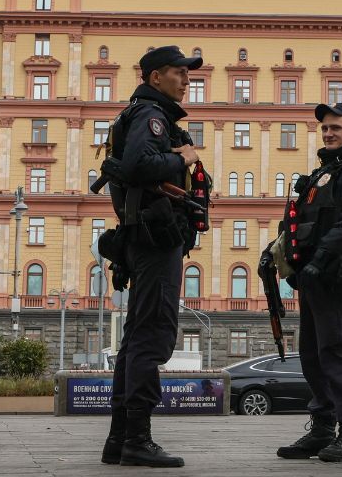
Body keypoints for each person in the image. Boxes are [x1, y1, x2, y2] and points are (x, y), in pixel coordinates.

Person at [99, 45, 202, 468]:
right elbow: (140, 166)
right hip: (156, 238)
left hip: (147, 236)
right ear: (155, 77)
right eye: (179, 72)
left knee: (136, 338)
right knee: (153, 335)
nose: (187, 79)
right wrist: (182, 156)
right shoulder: (151, 116)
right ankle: (138, 440)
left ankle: (120, 438)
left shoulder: (143, 114)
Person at [276, 102, 342, 463]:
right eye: (324, 128)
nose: (328, 133)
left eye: (336, 127)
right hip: (310, 275)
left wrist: (320, 259)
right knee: (312, 353)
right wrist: (275, 254)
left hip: (332, 273)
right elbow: (301, 221)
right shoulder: (326, 171)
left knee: (336, 351)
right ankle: (322, 428)